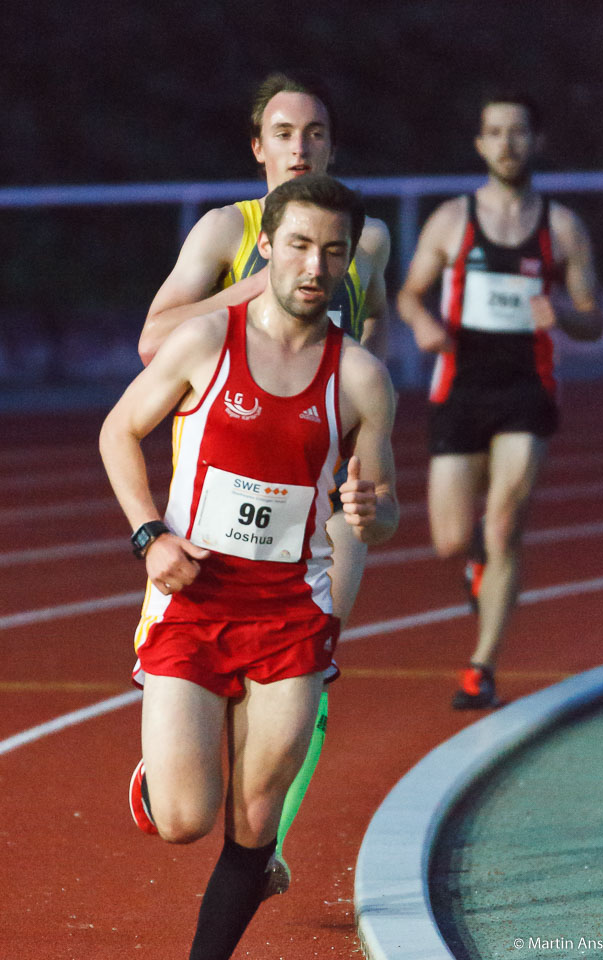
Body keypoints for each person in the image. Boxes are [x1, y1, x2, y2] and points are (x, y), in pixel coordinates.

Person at [99, 173, 398, 960]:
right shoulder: (206, 342)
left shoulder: (362, 378)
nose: (314, 266)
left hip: (291, 613)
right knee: (184, 820)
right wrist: (150, 536)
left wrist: (376, 511)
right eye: (299, 245)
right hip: (194, 598)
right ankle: (160, 780)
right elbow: (117, 432)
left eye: (333, 253)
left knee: (257, 824)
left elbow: (385, 502)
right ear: (267, 247)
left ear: (347, 267)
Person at [137, 70, 391, 893]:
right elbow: (152, 342)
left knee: (312, 668)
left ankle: (263, 837)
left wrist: (364, 442)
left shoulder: (368, 240)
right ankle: (180, 778)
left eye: (315, 133)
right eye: (283, 132)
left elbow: (372, 330)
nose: (299, 146)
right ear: (258, 147)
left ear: (332, 145)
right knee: (189, 798)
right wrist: (263, 284)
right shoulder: (224, 230)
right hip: (223, 480)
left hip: (317, 485)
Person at [397, 92, 602, 710]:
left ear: (537, 142)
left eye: (518, 132)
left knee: (507, 520)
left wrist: (564, 313)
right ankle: (477, 563)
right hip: (462, 384)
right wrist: (422, 325)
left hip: (526, 386)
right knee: (450, 537)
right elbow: (409, 294)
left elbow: (594, 320)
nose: (507, 144)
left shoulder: (562, 226)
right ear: (480, 143)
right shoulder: (452, 220)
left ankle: (480, 665)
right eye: (495, 132)